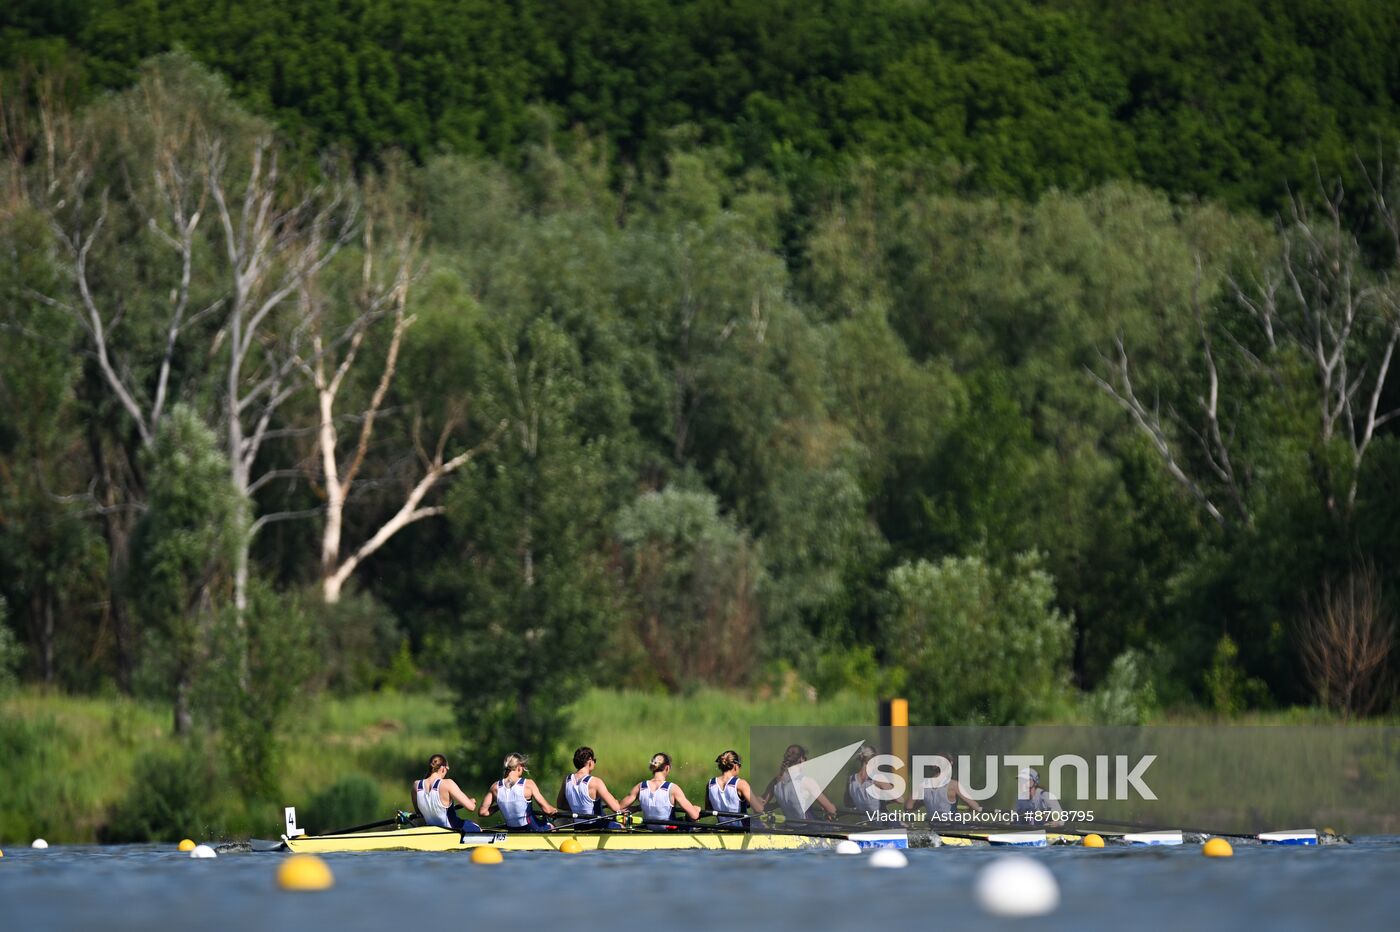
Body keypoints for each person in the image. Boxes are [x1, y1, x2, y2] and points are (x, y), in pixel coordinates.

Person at [617, 752, 702, 829]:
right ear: (667, 768)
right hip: (669, 833)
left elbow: (619, 808)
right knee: (693, 815)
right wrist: (696, 810)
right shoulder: (673, 788)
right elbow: (694, 816)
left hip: (649, 830)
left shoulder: (640, 787)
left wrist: (638, 807)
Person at [479, 752, 559, 831]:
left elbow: (483, 812)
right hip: (532, 829)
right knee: (552, 825)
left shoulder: (495, 787)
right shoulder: (528, 784)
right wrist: (554, 811)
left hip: (512, 830)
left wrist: (500, 806)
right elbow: (547, 810)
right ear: (519, 766)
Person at [762, 744, 838, 822]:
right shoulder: (807, 782)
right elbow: (830, 809)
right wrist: (832, 808)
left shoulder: (776, 781)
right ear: (802, 759)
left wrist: (777, 804)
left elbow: (761, 804)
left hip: (790, 826)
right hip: (808, 827)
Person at [556, 746, 624, 829]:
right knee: (622, 826)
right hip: (598, 828)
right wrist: (636, 807)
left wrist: (578, 808)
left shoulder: (567, 780)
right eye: (594, 761)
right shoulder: (595, 782)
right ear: (590, 761)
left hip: (578, 828)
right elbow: (616, 808)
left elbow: (560, 804)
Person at [412, 753, 481, 832]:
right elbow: (471, 808)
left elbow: (419, 813)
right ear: (443, 768)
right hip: (453, 829)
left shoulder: (416, 785)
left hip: (431, 831)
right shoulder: (447, 783)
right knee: (478, 828)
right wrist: (471, 801)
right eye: (447, 769)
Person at [905, 753, 982, 823]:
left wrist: (923, 803)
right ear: (950, 764)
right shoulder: (953, 785)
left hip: (932, 825)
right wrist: (971, 809)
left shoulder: (921, 785)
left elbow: (908, 807)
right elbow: (975, 807)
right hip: (951, 826)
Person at [706, 749, 764, 828]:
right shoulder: (741, 784)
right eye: (740, 766)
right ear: (736, 766)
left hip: (723, 829)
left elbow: (709, 809)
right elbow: (758, 809)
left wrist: (746, 803)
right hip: (742, 831)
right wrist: (758, 802)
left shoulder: (710, 784)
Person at [844, 745, 893, 816]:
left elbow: (847, 803)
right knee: (907, 826)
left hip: (865, 821)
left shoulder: (851, 780)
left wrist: (862, 802)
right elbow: (900, 800)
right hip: (882, 821)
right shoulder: (878, 779)